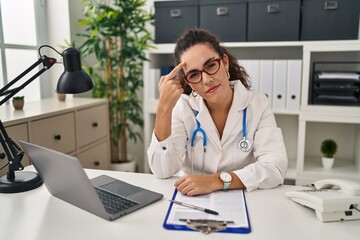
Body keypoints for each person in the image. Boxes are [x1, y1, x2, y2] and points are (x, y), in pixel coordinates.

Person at [147, 29, 287, 196]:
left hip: (242, 199)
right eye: (194, 74)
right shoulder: (183, 108)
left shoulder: (258, 105)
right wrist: (163, 108)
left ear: (225, 62)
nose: (206, 80)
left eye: (211, 65)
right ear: (189, 82)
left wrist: (216, 181)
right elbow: (162, 171)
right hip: (193, 200)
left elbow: (275, 168)